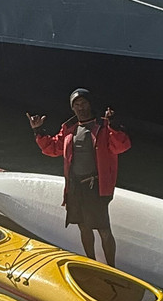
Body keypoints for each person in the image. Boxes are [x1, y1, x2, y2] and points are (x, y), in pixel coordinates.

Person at [27, 88, 131, 265]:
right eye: (76, 105)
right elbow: (53, 148)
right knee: (83, 227)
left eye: (83, 103)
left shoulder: (104, 126)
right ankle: (91, 263)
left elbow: (121, 146)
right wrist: (38, 131)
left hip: (95, 187)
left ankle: (111, 268)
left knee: (103, 229)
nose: (80, 108)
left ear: (90, 104)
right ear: (72, 108)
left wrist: (114, 126)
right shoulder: (69, 128)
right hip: (75, 187)